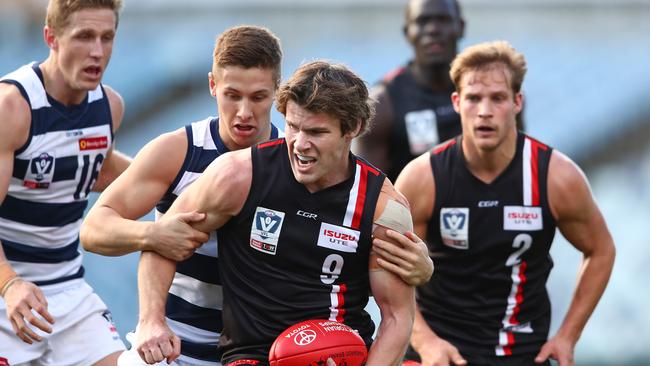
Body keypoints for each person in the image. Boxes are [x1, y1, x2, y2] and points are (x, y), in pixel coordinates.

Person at [80, 27, 431, 366]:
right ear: (213, 86)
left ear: (352, 129)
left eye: (316, 132)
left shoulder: (383, 206)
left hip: (331, 354)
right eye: (294, 127)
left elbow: (397, 315)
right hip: (192, 343)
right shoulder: (228, 170)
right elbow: (119, 235)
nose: (301, 143)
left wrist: (427, 266)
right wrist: (151, 300)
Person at [393, 41, 616, 366]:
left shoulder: (556, 177)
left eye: (497, 98)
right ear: (456, 102)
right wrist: (426, 343)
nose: (484, 110)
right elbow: (387, 267)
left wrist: (568, 335)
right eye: (473, 98)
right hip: (440, 356)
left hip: (522, 354)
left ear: (516, 102)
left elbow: (601, 250)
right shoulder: (422, 178)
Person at [0, 0, 131, 364]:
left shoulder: (108, 106)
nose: (97, 51)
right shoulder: (12, 106)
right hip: (5, 290)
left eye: (107, 38)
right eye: (84, 36)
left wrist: (182, 180)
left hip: (68, 291)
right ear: (51, 37)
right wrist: (9, 285)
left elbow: (98, 169)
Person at [354, 0, 465, 183]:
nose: (433, 30)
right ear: (407, 32)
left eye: (443, 20)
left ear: (460, 27)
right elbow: (365, 191)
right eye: (423, 21)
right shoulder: (381, 103)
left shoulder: (492, 95)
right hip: (410, 210)